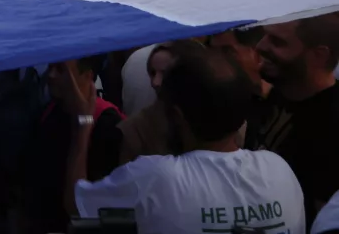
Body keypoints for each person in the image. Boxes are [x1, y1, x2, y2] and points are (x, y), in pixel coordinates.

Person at [72, 50, 306, 234]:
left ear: (176, 115)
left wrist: (84, 121)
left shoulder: (156, 177)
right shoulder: (279, 170)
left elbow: (77, 205)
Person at [18, 56, 123, 234]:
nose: (51, 75)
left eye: (61, 70)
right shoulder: (50, 112)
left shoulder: (106, 122)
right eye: (50, 67)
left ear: (87, 76)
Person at [253, 13, 339, 226]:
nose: (260, 46)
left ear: (319, 55)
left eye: (277, 42)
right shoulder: (279, 92)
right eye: (265, 36)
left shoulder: (333, 123)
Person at [118, 41, 206, 164]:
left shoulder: (212, 118)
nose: (155, 82)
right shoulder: (136, 129)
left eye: (164, 73)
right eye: (152, 73)